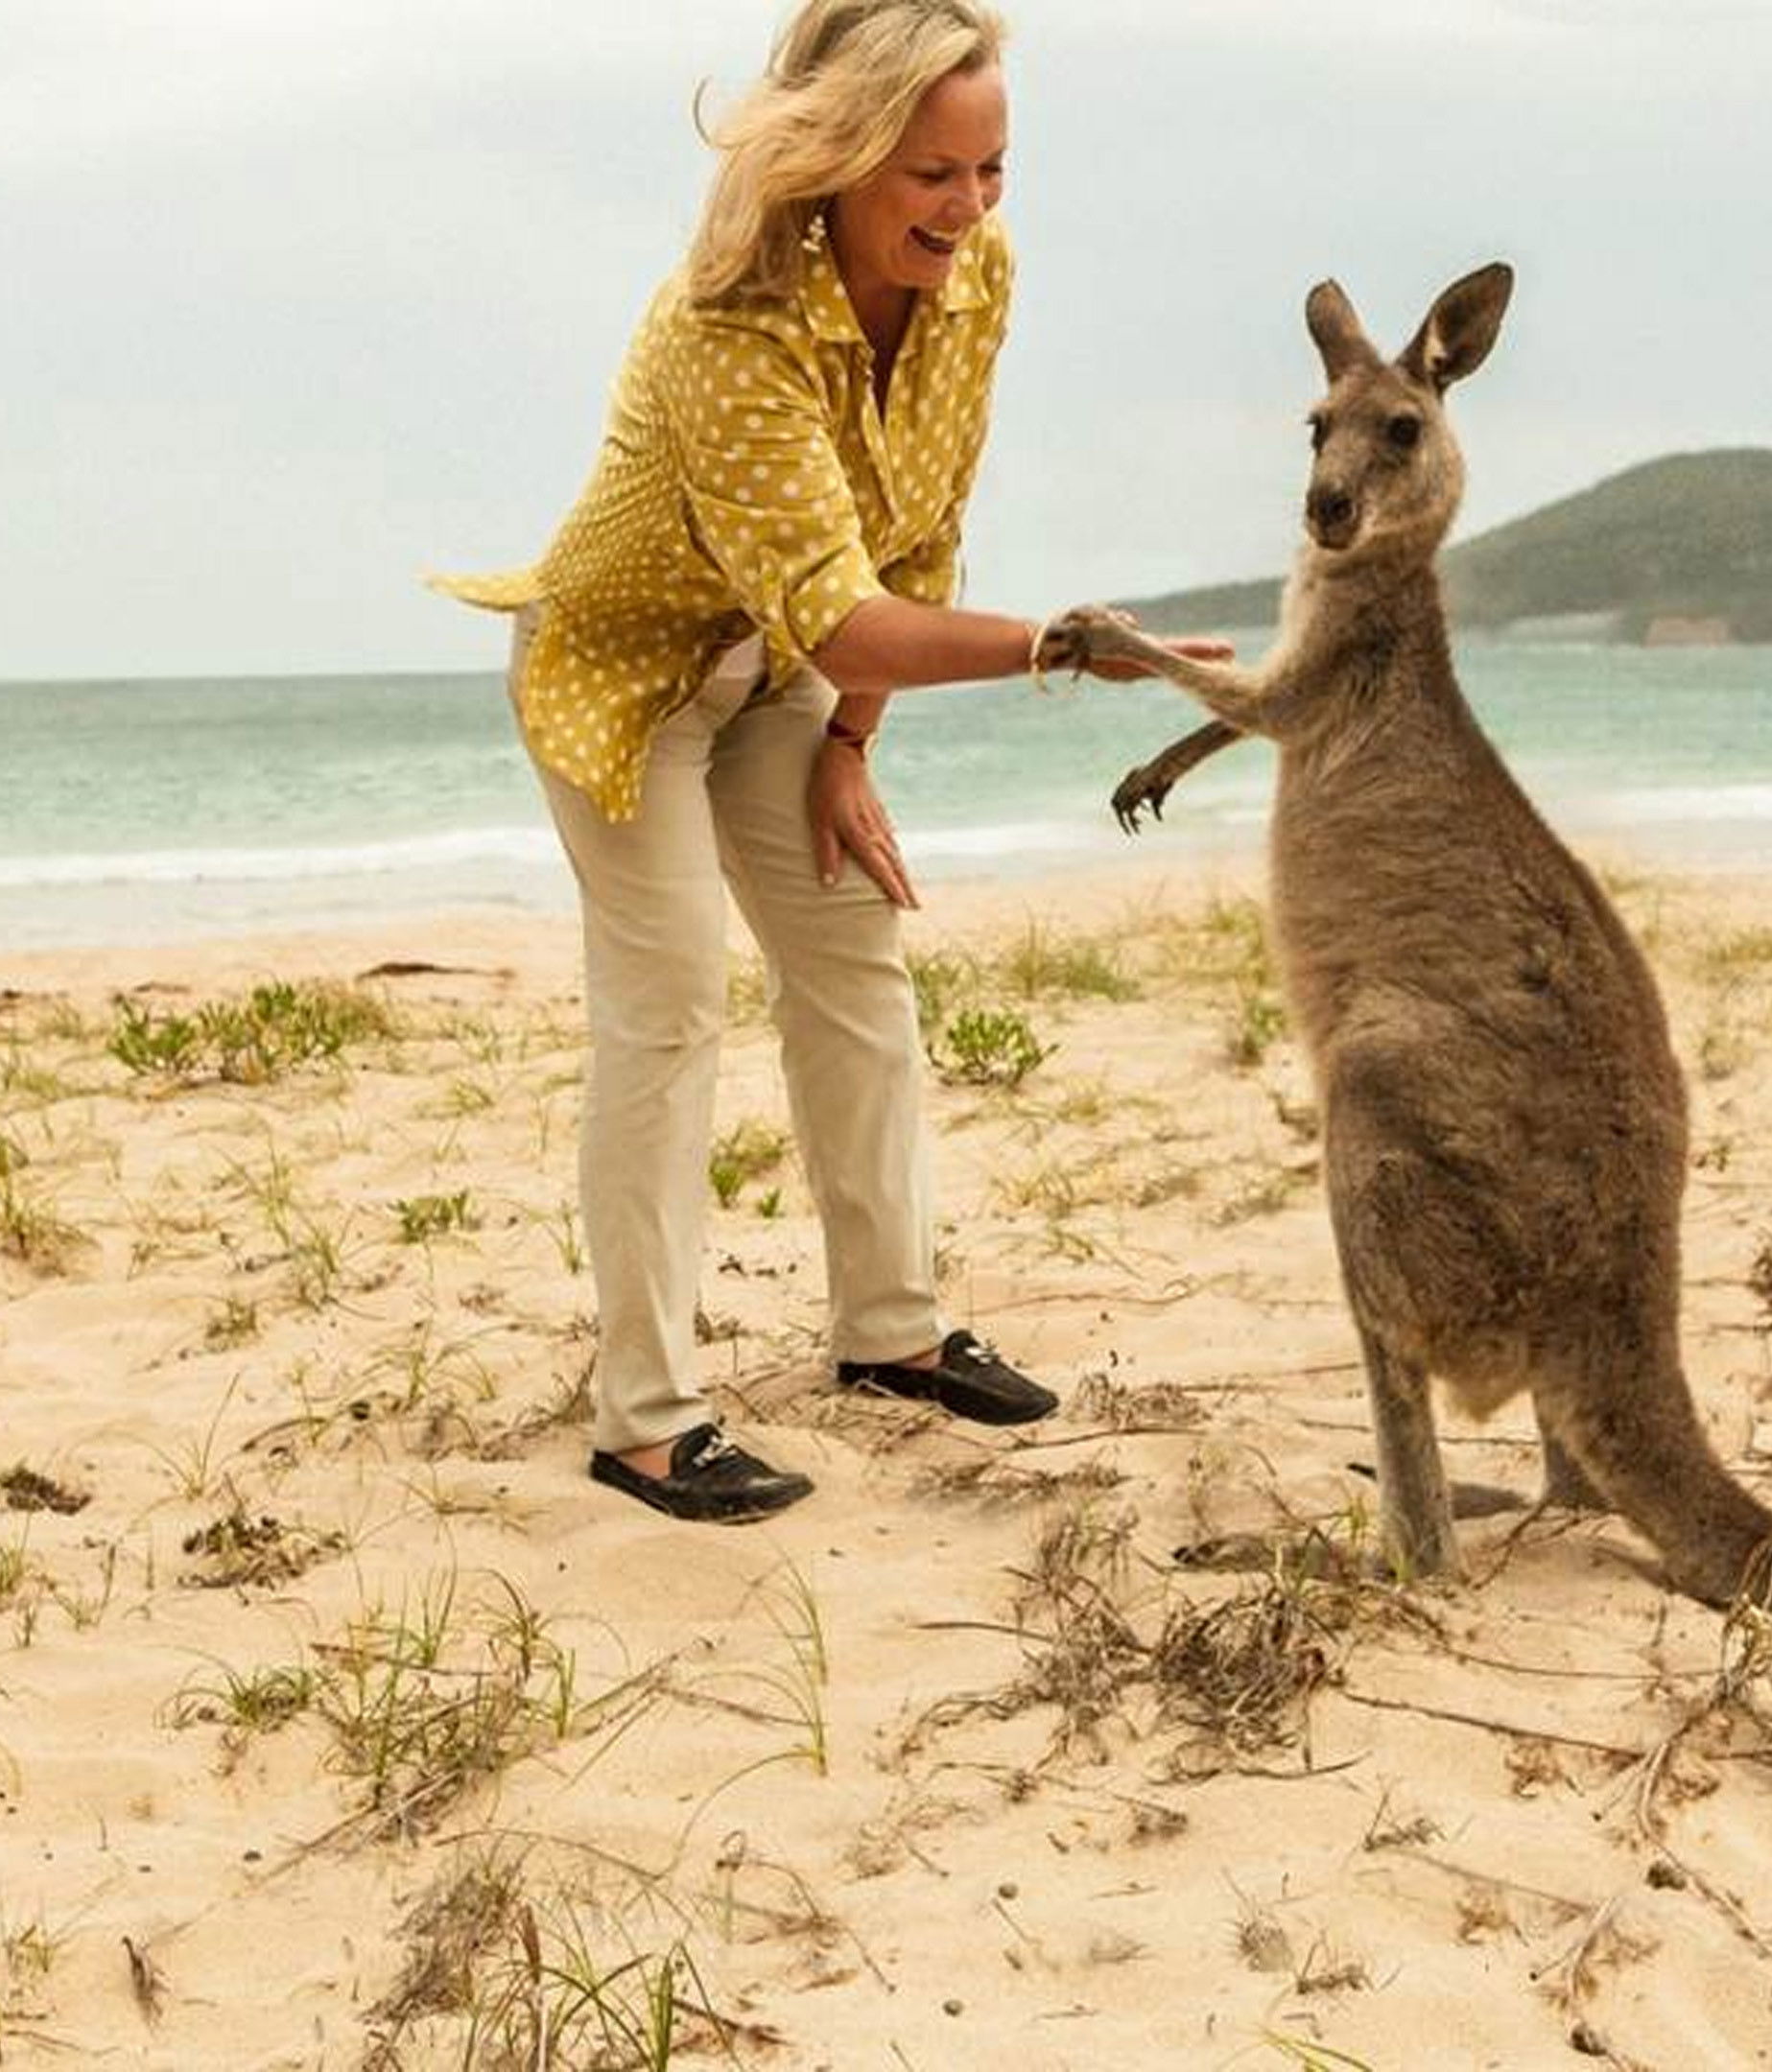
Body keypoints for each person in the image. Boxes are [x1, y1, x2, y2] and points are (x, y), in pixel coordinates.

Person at [431, 0, 1226, 1523]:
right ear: (845, 156)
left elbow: (918, 535)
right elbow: (844, 609)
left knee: (854, 958)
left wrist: (851, 745)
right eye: (933, 173)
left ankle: (892, 1334)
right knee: (670, 1011)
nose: (969, 207)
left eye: (991, 168)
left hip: (787, 675)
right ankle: (645, 1423)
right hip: (629, 673)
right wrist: (1065, 647)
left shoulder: (975, 277)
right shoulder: (725, 325)